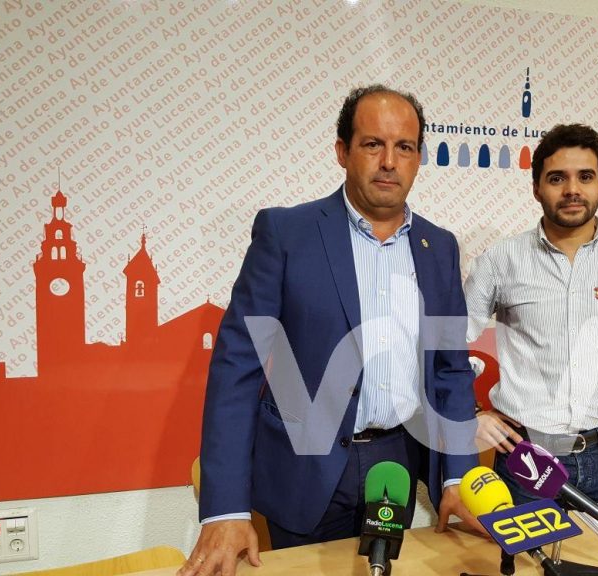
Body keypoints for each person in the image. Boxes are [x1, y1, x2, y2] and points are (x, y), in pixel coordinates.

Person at [180, 85, 480, 576]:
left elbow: (449, 371)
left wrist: (458, 476)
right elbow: (238, 367)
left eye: (404, 147)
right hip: (306, 468)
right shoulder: (286, 233)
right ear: (342, 151)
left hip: (396, 465)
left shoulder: (439, 247)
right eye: (372, 144)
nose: (389, 162)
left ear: (419, 158)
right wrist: (226, 510)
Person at [465, 123, 598, 506]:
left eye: (585, 177)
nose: (572, 189)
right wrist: (472, 412)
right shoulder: (500, 261)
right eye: (557, 178)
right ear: (536, 188)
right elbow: (447, 345)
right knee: (525, 549)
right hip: (526, 460)